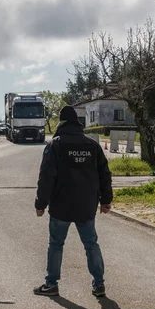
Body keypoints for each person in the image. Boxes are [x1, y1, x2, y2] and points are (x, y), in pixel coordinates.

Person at [33, 106, 113, 297]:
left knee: (56, 244)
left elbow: (46, 177)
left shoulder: (56, 145)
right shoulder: (92, 145)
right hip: (86, 204)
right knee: (91, 244)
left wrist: (40, 203)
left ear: (61, 122)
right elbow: (104, 173)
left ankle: (51, 284)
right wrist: (106, 200)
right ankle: (99, 283)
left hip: (61, 204)